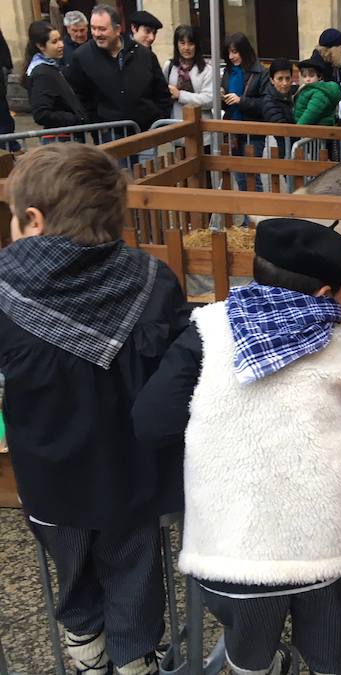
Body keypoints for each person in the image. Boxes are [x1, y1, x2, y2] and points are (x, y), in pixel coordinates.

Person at [133, 218, 341, 675]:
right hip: (325, 547)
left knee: (248, 653)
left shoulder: (205, 333)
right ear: (326, 294)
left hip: (234, 548)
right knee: (332, 650)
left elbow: (152, 423)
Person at [0, 143, 190, 675]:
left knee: (69, 564)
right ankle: (134, 656)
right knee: (135, 571)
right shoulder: (153, 280)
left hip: (49, 473)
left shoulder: (4, 290)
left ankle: (85, 642)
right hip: (135, 472)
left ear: (33, 220)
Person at [67, 4, 170, 133]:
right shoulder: (82, 56)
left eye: (102, 29)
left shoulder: (144, 55)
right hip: (108, 134)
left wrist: (158, 122)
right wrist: (96, 125)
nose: (97, 34)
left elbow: (162, 93)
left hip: (146, 132)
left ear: (117, 29)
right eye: (93, 28)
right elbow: (78, 97)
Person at [221, 32, 268, 193]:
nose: (231, 57)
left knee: (252, 176)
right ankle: (247, 210)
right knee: (240, 177)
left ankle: (258, 209)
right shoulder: (228, 72)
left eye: (235, 52)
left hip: (253, 131)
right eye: (229, 52)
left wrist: (241, 101)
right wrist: (222, 97)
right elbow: (226, 104)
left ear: (244, 50)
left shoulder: (260, 72)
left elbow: (265, 104)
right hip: (233, 131)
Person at [23, 20, 88, 133]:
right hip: (61, 136)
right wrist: (76, 119)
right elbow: (41, 113)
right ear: (40, 46)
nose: (61, 45)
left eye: (60, 39)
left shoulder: (50, 67)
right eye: (54, 42)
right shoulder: (42, 73)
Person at [162, 25, 214, 145]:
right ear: (176, 45)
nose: (186, 48)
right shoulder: (169, 66)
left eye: (191, 43)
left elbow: (209, 100)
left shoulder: (206, 70)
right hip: (177, 131)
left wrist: (180, 95)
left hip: (202, 133)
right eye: (182, 43)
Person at [262, 58, 298, 158]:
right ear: (272, 80)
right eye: (280, 79)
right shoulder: (268, 101)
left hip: (294, 150)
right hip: (282, 153)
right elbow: (283, 129)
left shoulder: (295, 93)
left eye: (287, 78)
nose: (285, 83)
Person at [294, 54, 341, 126]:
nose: (307, 79)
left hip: (316, 130)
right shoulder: (305, 89)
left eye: (311, 76)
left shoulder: (320, 93)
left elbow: (310, 115)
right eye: (304, 76)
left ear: (319, 76)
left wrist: (297, 129)